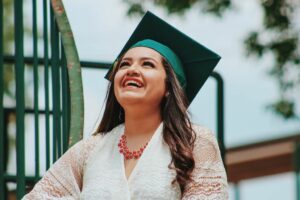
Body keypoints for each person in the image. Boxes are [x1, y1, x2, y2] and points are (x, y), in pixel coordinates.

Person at [23, 11, 228, 199]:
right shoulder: (89, 150)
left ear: (169, 87)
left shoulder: (194, 142)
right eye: (124, 64)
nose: (132, 70)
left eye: (147, 64)